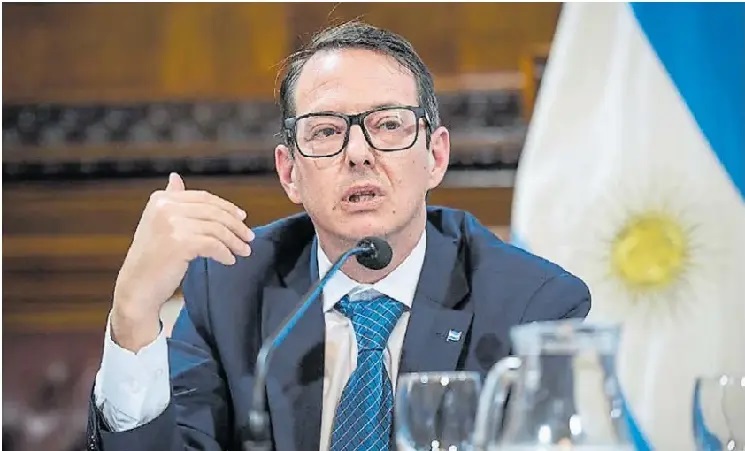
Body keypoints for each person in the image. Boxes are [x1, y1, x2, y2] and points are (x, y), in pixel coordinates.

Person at [86, 21, 591, 451]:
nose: (359, 153)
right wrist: (132, 313)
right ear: (289, 173)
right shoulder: (229, 289)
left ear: (435, 157)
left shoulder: (530, 305)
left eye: (388, 125)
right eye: (326, 131)